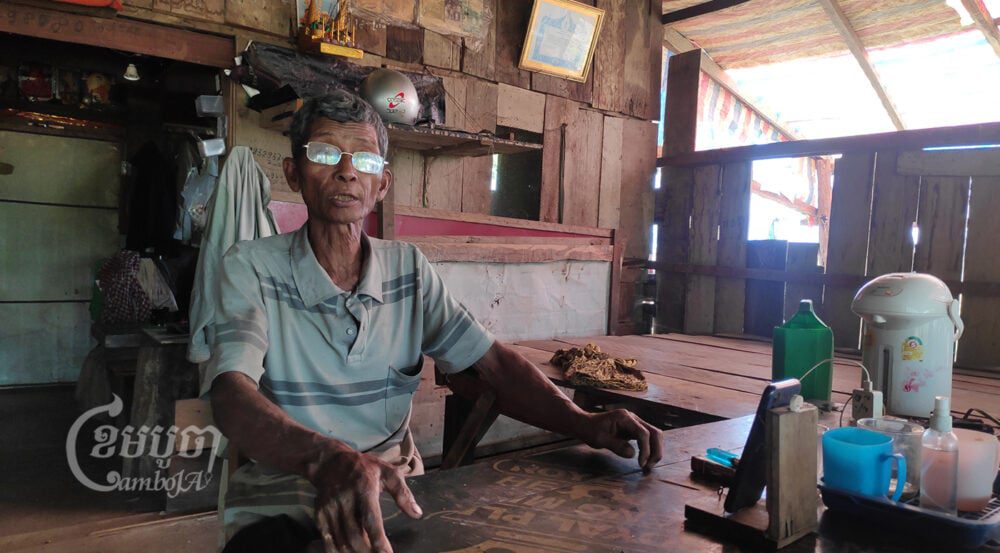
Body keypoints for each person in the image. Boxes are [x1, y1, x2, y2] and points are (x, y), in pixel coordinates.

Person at [206, 90, 663, 553]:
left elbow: (494, 367)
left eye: (364, 160)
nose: (346, 171)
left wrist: (586, 423)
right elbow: (230, 393)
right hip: (284, 499)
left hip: (397, 497)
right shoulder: (252, 266)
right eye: (325, 153)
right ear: (293, 174)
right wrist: (326, 459)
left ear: (381, 184)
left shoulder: (408, 269)